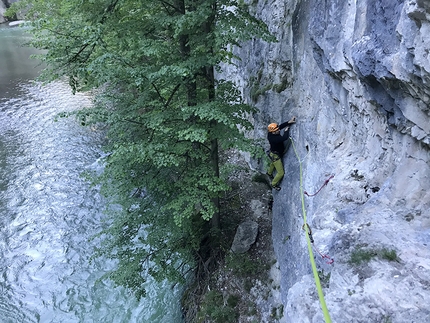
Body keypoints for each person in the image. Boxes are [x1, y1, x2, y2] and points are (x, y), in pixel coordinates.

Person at [266, 116, 296, 190]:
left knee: (273, 163)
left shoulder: (271, 133)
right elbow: (284, 138)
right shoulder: (274, 139)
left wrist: (288, 122)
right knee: (281, 173)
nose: (279, 130)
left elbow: (280, 126)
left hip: (272, 153)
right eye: (277, 130)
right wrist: (286, 130)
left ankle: (269, 173)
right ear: (273, 132)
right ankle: (273, 184)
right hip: (276, 156)